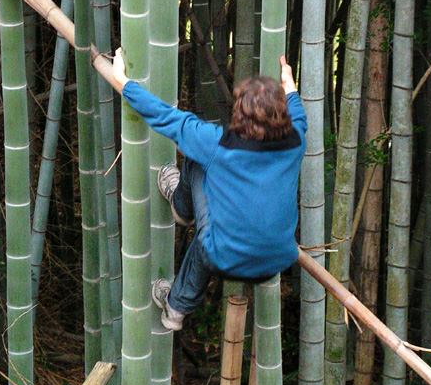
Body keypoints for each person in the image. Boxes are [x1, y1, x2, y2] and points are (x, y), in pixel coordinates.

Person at [112, 49, 307, 331]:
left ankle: (181, 214)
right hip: (277, 260)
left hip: (224, 257)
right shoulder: (297, 140)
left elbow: (165, 117)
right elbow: (298, 113)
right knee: (219, 234)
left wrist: (122, 81)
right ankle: (175, 313)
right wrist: (289, 85)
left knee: (199, 170)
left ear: (240, 113)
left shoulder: (218, 145)